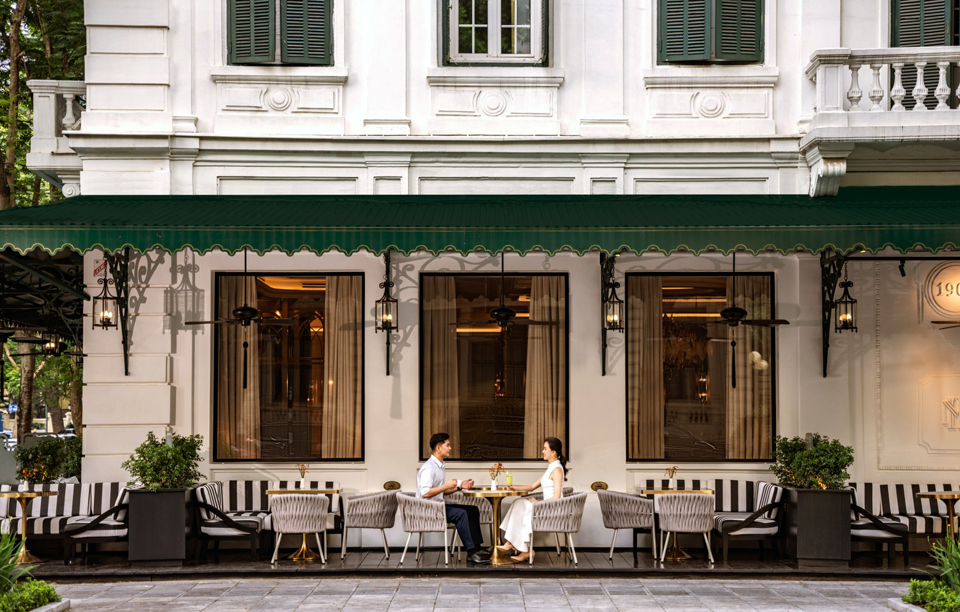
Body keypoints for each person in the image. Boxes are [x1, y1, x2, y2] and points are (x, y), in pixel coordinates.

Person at [417, 432, 490, 565]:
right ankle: (471, 552)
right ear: (439, 448)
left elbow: (440, 492)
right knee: (461, 514)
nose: (450, 448)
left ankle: (477, 548)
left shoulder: (439, 465)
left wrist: (459, 487)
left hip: (439, 506)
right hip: (429, 509)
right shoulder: (428, 468)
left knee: (472, 510)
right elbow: (425, 493)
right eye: (448, 445)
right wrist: (446, 485)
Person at [497, 437, 569, 562]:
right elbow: (532, 487)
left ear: (554, 452)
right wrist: (515, 487)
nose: (543, 451)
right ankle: (514, 544)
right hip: (546, 506)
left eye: (545, 449)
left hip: (554, 509)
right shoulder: (550, 468)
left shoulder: (557, 470)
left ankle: (522, 548)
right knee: (518, 502)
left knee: (524, 505)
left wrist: (538, 503)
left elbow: (557, 497)